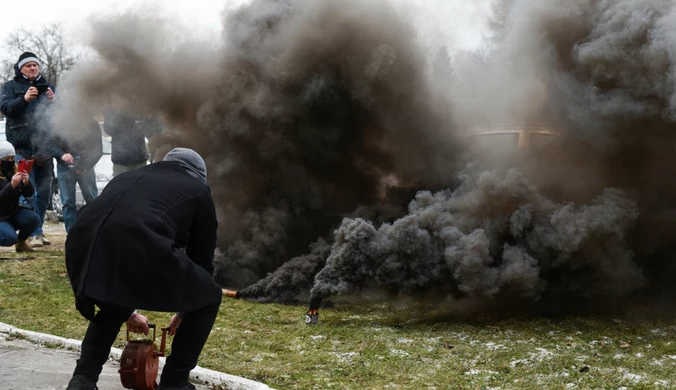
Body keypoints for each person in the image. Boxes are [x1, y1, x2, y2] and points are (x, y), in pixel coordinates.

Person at [65, 148, 221, 390]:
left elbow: (118, 225)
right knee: (209, 296)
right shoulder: (198, 189)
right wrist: (184, 311)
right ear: (198, 174)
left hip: (83, 242)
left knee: (112, 301)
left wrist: (127, 311)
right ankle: (175, 383)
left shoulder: (127, 177)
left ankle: (82, 380)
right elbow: (201, 257)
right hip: (138, 240)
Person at [0, 51, 55, 248]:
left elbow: (60, 116)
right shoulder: (10, 86)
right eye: (28, 65)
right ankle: (33, 234)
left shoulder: (48, 87)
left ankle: (37, 231)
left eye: (35, 65)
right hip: (22, 150)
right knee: (27, 194)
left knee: (44, 194)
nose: (32, 68)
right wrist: (24, 99)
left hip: (45, 150)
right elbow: (5, 108)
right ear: (20, 68)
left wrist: (53, 101)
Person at [45, 119, 103, 232]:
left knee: (92, 199)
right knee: (67, 203)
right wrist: (61, 155)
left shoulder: (91, 123)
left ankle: (95, 231)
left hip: (86, 167)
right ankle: (71, 233)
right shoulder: (59, 120)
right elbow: (48, 144)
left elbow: (97, 149)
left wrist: (86, 165)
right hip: (64, 167)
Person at [0, 141, 41, 252]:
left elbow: (29, 194)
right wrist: (11, 186)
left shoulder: (14, 170)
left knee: (33, 218)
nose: (10, 162)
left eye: (12, 158)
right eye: (6, 159)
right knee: (9, 238)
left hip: (12, 212)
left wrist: (26, 183)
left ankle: (21, 243)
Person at [103, 110, 163, 176]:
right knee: (121, 185)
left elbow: (152, 133)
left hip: (139, 160)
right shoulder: (112, 109)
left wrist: (150, 119)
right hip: (120, 161)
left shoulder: (139, 108)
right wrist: (121, 112)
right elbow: (109, 129)